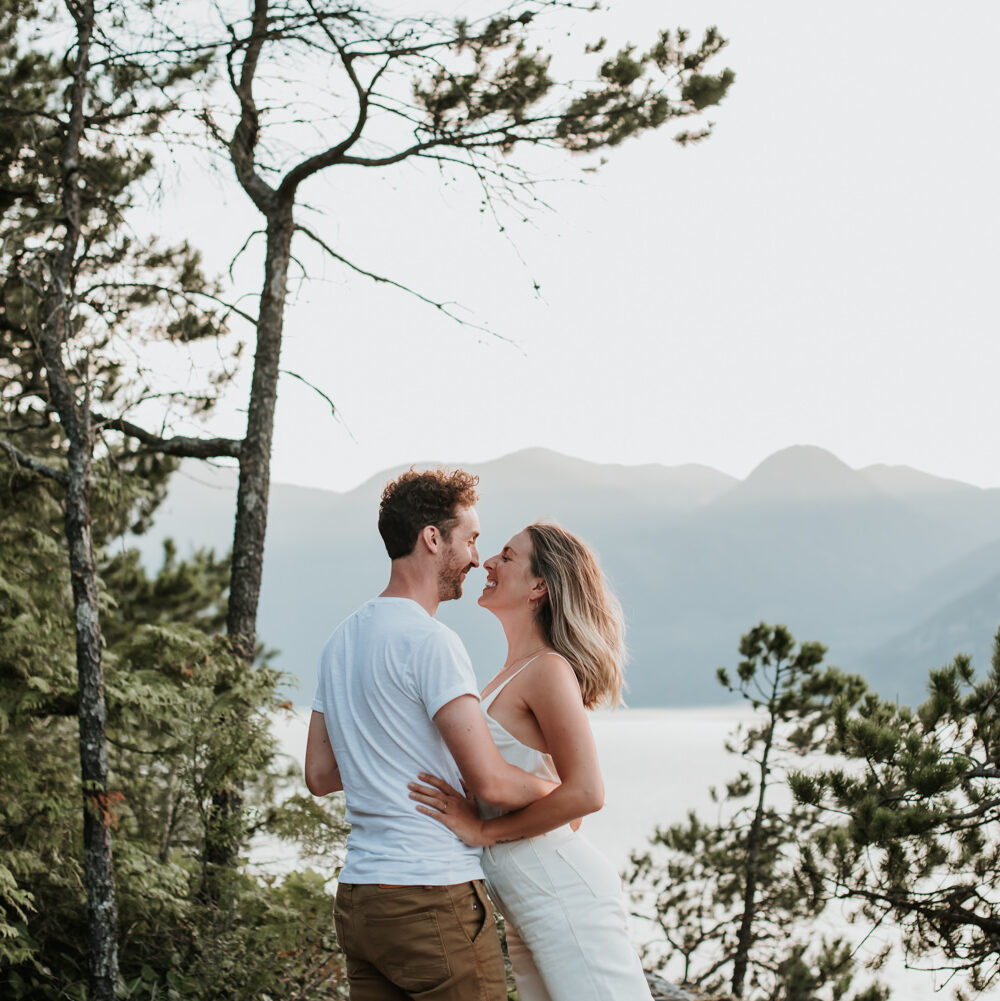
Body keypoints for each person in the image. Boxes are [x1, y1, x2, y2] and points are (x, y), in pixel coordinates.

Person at [304, 469, 556, 1001]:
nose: (474, 558)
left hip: (361, 900)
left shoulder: (341, 640)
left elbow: (320, 775)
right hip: (429, 897)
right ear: (432, 538)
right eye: (470, 539)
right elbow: (489, 783)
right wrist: (555, 793)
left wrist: (384, 758)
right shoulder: (432, 642)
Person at [408, 522, 654, 1001]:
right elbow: (566, 804)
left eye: (507, 555)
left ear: (539, 586)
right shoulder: (507, 675)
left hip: (563, 895)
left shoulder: (548, 669)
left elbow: (585, 795)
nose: (489, 564)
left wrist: (484, 832)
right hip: (527, 902)